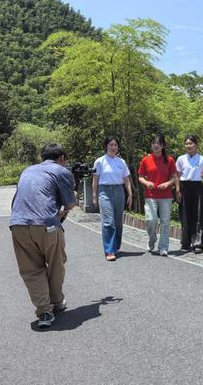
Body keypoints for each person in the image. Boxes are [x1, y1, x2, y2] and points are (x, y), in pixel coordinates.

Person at [9, 143, 77, 329]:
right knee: (55, 263)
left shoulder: (27, 171)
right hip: (46, 225)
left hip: (18, 224)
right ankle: (56, 301)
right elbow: (70, 204)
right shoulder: (61, 171)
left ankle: (44, 311)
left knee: (31, 270)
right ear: (61, 158)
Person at [92, 137, 133, 261]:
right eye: (111, 144)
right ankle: (109, 250)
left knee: (118, 222)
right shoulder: (99, 161)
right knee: (108, 221)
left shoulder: (121, 162)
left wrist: (130, 194)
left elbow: (126, 179)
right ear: (106, 146)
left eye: (115, 145)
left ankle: (115, 246)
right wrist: (94, 195)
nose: (113, 147)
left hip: (119, 191)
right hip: (105, 191)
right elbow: (95, 179)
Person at [138, 133, 177, 257]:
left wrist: (167, 183)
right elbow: (140, 177)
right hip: (150, 194)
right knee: (151, 219)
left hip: (166, 196)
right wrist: (147, 182)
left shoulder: (169, 160)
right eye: (154, 143)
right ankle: (152, 240)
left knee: (165, 222)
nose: (156, 145)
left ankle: (163, 247)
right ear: (151, 145)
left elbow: (174, 177)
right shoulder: (146, 160)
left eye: (159, 143)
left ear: (163, 146)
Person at [175, 135, 203, 253]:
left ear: (196, 145)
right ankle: (185, 242)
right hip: (184, 187)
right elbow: (177, 176)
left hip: (197, 187)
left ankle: (198, 244)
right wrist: (177, 190)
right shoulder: (181, 159)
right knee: (185, 215)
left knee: (198, 215)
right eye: (186, 144)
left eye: (191, 143)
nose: (188, 146)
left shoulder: (202, 159)